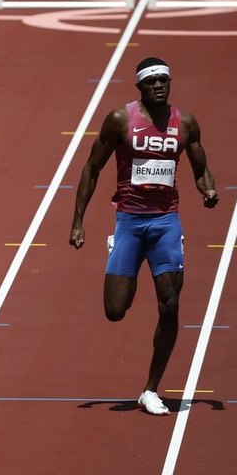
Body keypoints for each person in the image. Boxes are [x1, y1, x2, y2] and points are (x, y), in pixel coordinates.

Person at [69, 57, 218, 416]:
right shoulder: (121, 120)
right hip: (130, 222)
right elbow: (92, 168)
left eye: (164, 80)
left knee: (170, 304)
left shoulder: (185, 123)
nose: (159, 86)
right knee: (115, 311)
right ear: (140, 87)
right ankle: (122, 257)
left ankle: (151, 389)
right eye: (151, 82)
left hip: (166, 222)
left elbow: (201, 169)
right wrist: (78, 221)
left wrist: (208, 190)